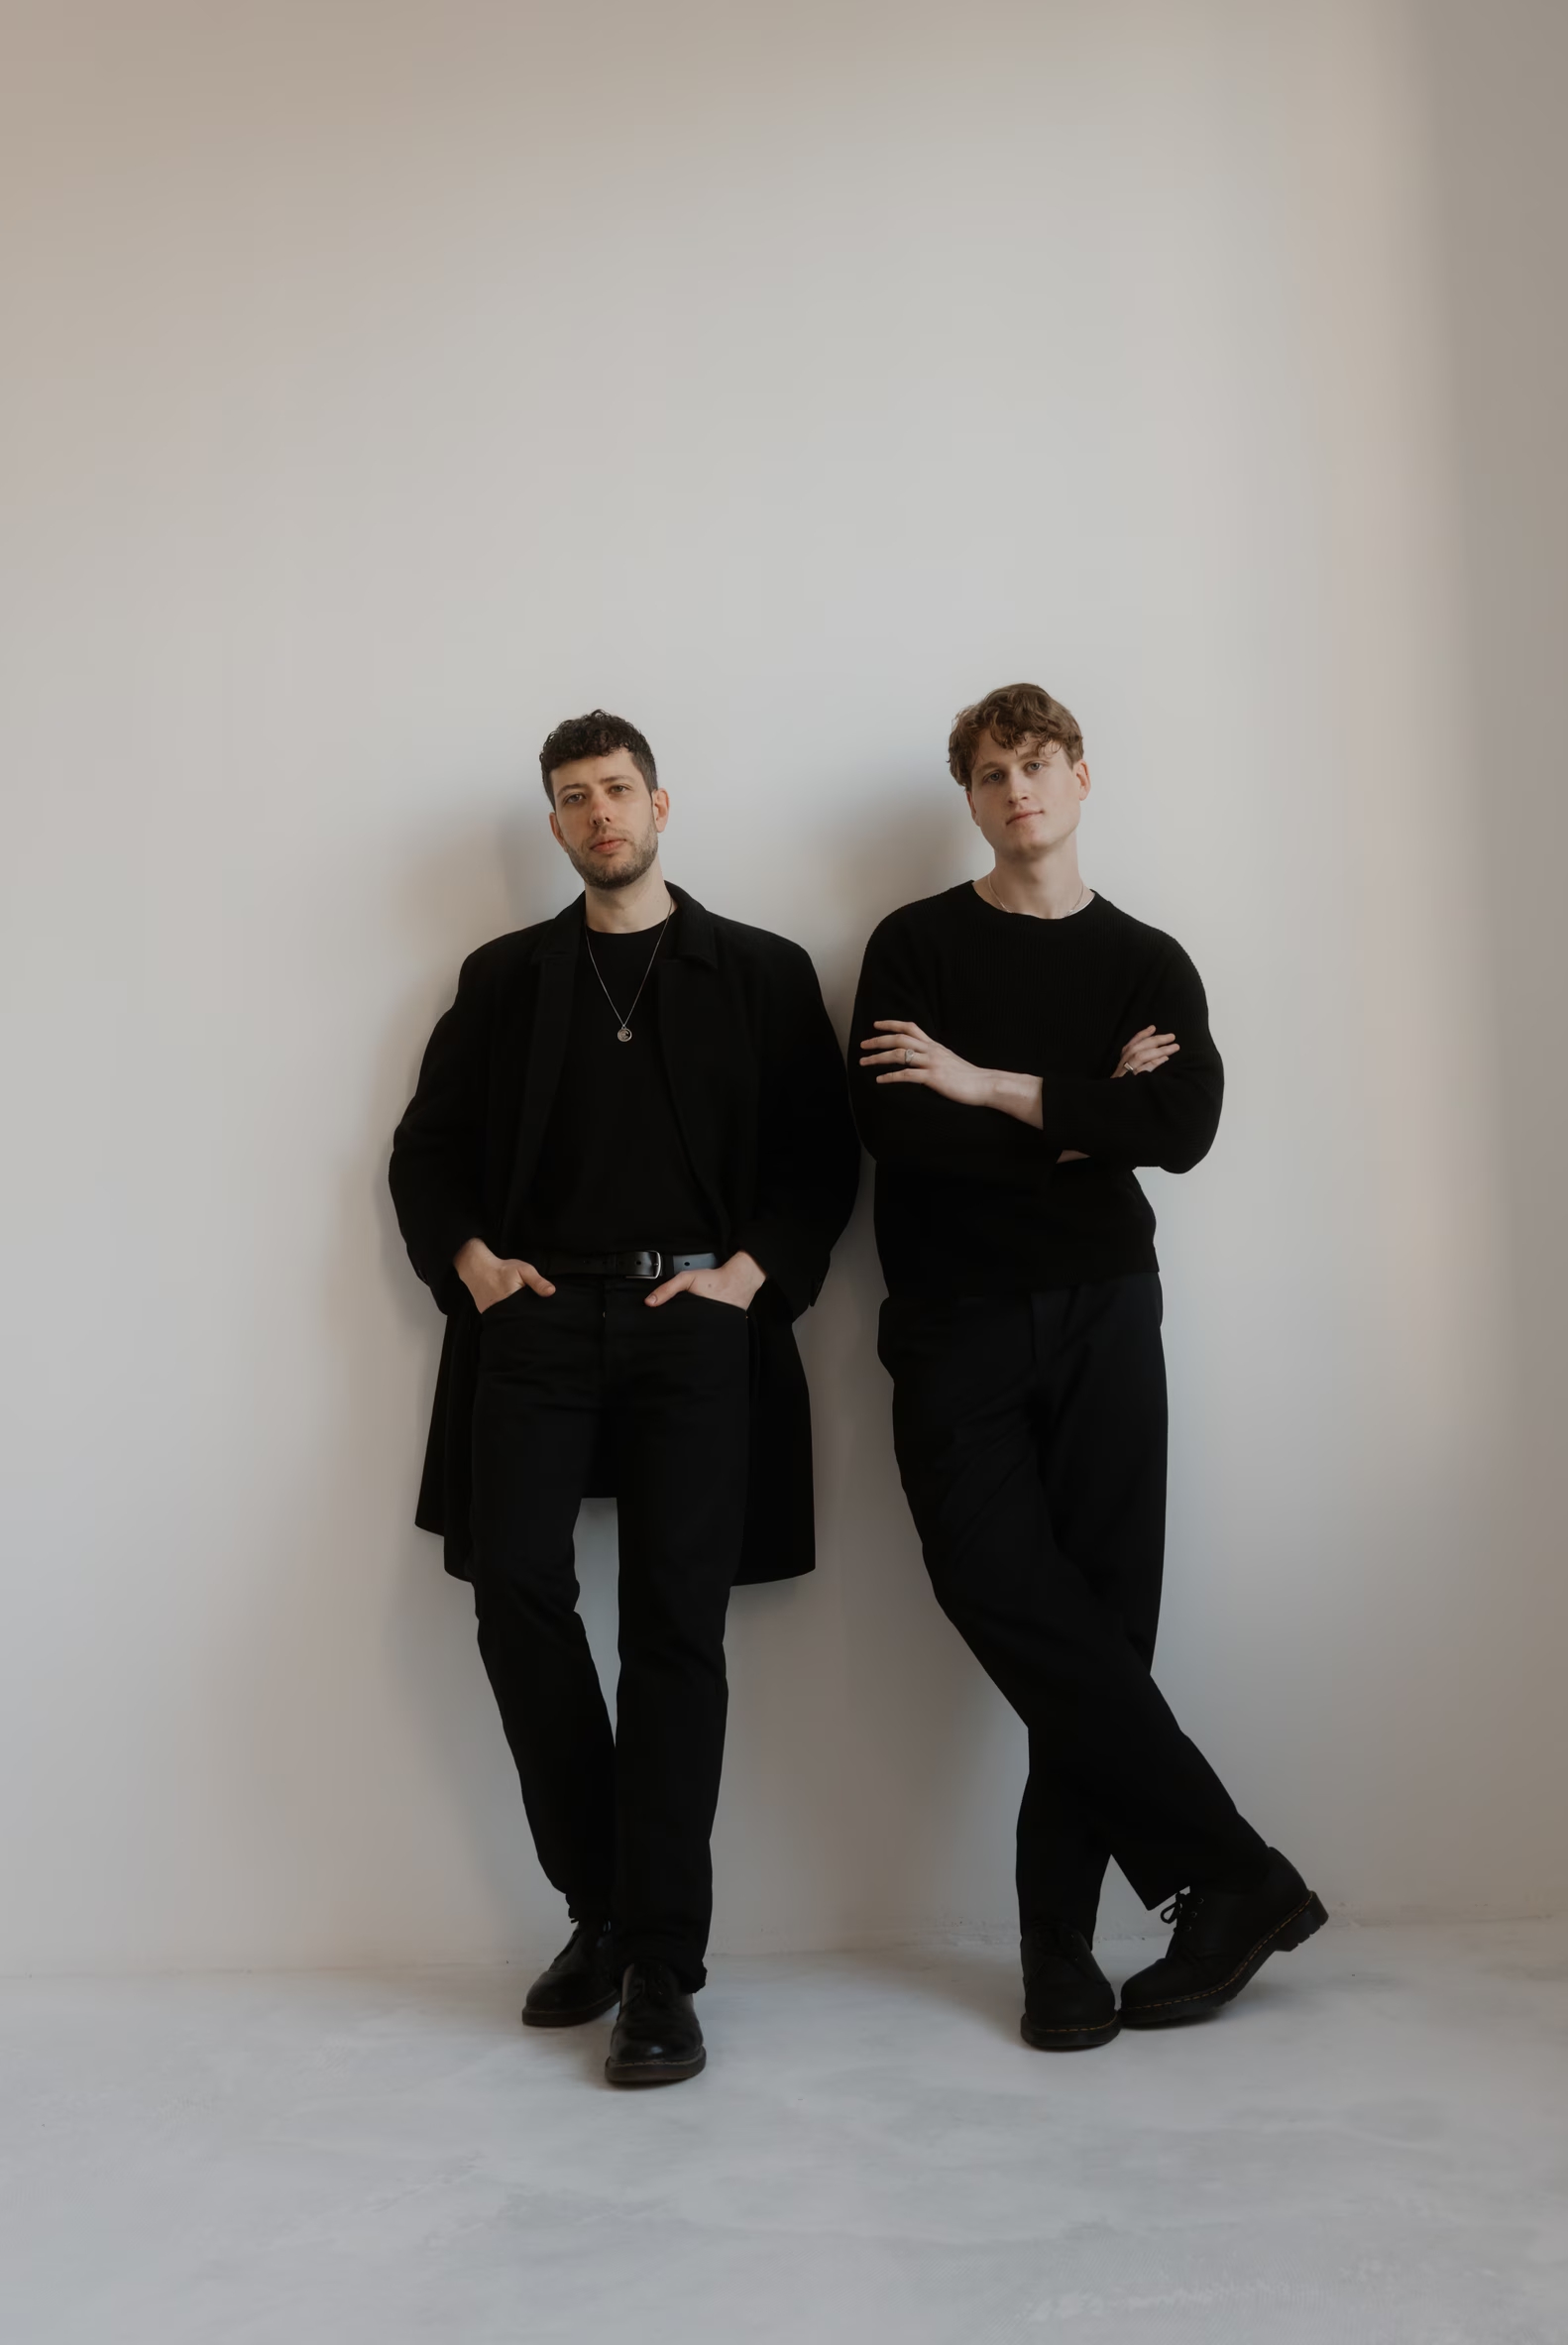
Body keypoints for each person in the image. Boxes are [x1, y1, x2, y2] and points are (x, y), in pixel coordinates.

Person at [848, 682, 1324, 2050]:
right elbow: (898, 1133)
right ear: (973, 798)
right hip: (956, 1317)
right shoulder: (916, 946)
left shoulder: (1149, 961)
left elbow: (1181, 1125)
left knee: (1103, 1628)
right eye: (993, 773)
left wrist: (991, 1087)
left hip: (1109, 1308)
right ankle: (1235, 1877)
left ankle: (1057, 1952)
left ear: (1082, 778)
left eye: (1039, 764)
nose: (1019, 791)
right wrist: (1082, 1115)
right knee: (1003, 1591)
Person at [391, 710, 857, 2086]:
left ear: (663, 804)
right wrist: (469, 1261)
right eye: (573, 799)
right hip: (533, 1322)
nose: (600, 815)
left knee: (676, 1635)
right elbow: (426, 1154)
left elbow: (823, 1159)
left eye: (618, 792)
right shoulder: (507, 979)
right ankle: (604, 1902)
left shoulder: (760, 973)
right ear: (553, 825)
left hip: (692, 1324)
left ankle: (659, 1965)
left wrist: (753, 1277)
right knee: (514, 1588)